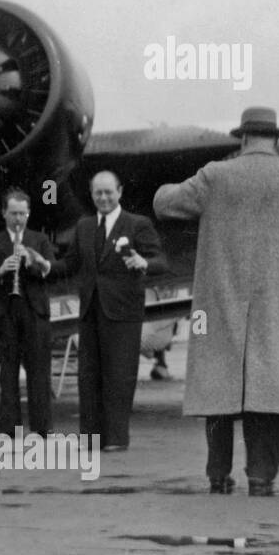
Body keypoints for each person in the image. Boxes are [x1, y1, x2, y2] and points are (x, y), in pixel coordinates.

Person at [154, 107, 279, 496]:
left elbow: (165, 202)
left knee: (217, 393)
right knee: (271, 392)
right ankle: (262, 477)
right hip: (276, 308)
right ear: (275, 140)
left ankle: (218, 475)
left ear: (243, 138)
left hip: (219, 305)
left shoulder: (215, 174)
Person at [49, 171, 166, 451]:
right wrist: (44, 265)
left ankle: (116, 439)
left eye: (108, 192)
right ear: (91, 195)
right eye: (97, 193)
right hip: (90, 311)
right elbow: (70, 264)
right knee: (88, 376)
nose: (103, 198)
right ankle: (90, 438)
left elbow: (161, 260)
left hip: (123, 313)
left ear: (120, 192)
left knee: (119, 375)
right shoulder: (85, 226)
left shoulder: (138, 224)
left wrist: (144, 262)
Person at [0, 188, 56, 437]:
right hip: (5, 312)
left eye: (22, 213)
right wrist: (0, 270)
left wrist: (32, 263)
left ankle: (41, 430)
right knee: (8, 373)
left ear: (29, 214)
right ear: (3, 213)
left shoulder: (39, 240)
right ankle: (8, 431)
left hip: (34, 311)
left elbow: (49, 273)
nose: (18, 219)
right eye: (13, 214)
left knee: (39, 371)